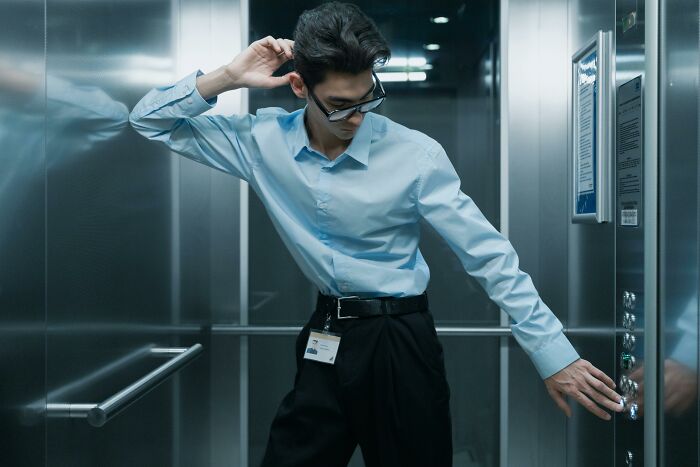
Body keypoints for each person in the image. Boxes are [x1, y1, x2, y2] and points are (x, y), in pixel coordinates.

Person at [129, 3, 623, 466]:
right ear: (299, 88)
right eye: (341, 106)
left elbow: (489, 256)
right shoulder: (260, 141)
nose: (359, 117)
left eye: (369, 98)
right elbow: (148, 120)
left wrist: (553, 353)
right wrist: (228, 77)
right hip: (325, 335)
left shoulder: (415, 155)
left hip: (399, 342)